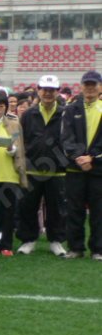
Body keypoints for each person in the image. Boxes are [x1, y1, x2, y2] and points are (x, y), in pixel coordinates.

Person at [15, 74, 68, 257]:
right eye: (45, 89)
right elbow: (21, 141)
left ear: (57, 92)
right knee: (28, 206)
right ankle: (28, 240)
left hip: (58, 170)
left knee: (57, 208)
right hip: (32, 169)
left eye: (52, 90)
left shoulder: (65, 113)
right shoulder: (28, 114)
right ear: (38, 90)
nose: (48, 93)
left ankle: (56, 241)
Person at [60, 70, 102, 261]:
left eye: (94, 84)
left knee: (99, 211)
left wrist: (93, 158)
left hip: (98, 168)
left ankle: (98, 249)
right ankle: (75, 248)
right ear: (81, 86)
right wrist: (79, 157)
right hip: (75, 169)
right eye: (87, 84)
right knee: (74, 210)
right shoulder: (71, 109)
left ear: (100, 87)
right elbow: (66, 138)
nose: (90, 88)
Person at [0, 91, 27, 257]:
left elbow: (19, 147)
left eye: (1, 106)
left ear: (6, 107)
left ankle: (7, 244)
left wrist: (11, 149)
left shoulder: (14, 123)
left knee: (9, 211)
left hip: (9, 174)